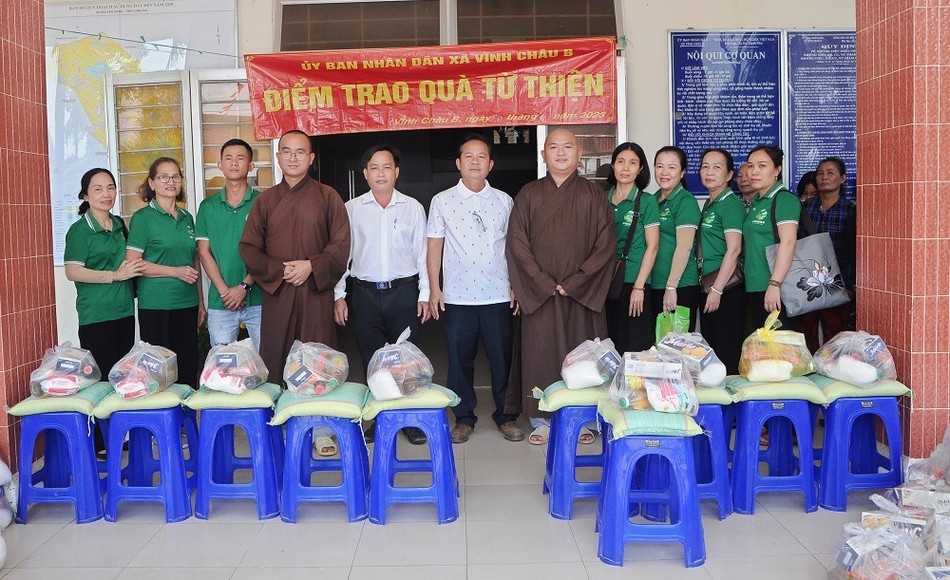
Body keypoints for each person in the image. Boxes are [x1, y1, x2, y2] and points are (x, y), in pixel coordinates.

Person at [504, 128, 616, 445]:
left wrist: (575, 283)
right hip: (540, 294)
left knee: (584, 356)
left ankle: (583, 418)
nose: (561, 152)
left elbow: (606, 245)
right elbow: (517, 244)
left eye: (568, 147)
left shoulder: (594, 195)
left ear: (579, 154)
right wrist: (541, 282)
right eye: (554, 147)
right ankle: (542, 420)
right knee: (540, 354)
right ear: (544, 155)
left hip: (581, 294)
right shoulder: (528, 194)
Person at [427, 135, 523, 444]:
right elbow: (434, 246)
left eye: (481, 156)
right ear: (458, 163)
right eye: (468, 156)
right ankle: (464, 418)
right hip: (457, 295)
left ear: (490, 164)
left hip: (498, 293)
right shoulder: (442, 200)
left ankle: (506, 416)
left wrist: (516, 286)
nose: (475, 162)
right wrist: (434, 288)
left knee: (502, 358)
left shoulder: (505, 201)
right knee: (459, 361)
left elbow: (514, 248)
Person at [334, 144, 430, 446]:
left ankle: (409, 419)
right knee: (372, 359)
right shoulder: (351, 209)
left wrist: (425, 293)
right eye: (374, 168)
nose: (380, 173)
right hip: (364, 294)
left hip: (403, 292)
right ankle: (380, 417)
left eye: (387, 167)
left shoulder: (412, 207)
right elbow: (343, 256)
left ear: (396, 172)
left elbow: (423, 254)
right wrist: (338, 294)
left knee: (406, 358)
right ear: (365, 174)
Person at [64, 168, 145, 455]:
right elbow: (73, 271)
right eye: (97, 189)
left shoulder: (119, 224)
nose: (106, 194)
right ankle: (100, 442)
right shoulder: (80, 230)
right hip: (96, 314)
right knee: (99, 378)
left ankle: (119, 435)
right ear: (85, 195)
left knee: (120, 375)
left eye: (110, 187)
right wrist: (114, 275)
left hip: (123, 310)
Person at [126, 157, 205, 387]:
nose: (170, 182)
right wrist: (174, 272)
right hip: (156, 305)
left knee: (187, 368)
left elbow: (194, 262)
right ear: (151, 183)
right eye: (163, 177)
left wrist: (200, 302)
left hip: (187, 303)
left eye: (175, 177)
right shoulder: (143, 218)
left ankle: (186, 411)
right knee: (160, 372)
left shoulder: (187, 218)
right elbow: (133, 263)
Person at [196, 139, 262, 349]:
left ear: (250, 166)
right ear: (220, 165)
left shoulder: (264, 202)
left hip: (259, 300)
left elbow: (269, 250)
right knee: (222, 362)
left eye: (240, 158)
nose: (234, 163)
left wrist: (244, 286)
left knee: (266, 361)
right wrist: (226, 292)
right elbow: (204, 252)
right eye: (228, 158)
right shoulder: (207, 207)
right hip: (221, 301)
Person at [604, 142, 660, 354]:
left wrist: (639, 287)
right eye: (620, 162)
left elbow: (653, 246)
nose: (625, 168)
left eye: (632, 163)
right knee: (609, 344)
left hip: (634, 281)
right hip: (606, 282)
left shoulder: (646, 201)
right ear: (613, 165)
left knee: (634, 345)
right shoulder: (602, 199)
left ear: (640, 168)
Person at [796, 157, 857, 352]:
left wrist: (851, 285)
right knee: (806, 333)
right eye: (820, 173)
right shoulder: (806, 208)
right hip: (809, 282)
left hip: (838, 282)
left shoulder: (850, 210)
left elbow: (853, 250)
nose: (824, 177)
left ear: (843, 178)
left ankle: (832, 367)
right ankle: (809, 367)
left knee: (836, 335)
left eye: (830, 173)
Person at [697, 149, 746, 373]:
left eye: (717, 167)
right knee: (712, 346)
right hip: (709, 285)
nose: (709, 172)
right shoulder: (710, 203)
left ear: (729, 175)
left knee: (726, 348)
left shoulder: (730, 204)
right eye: (705, 166)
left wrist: (717, 290)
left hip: (726, 288)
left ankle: (729, 393)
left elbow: (734, 249)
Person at [742, 145, 801, 331]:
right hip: (755, 286)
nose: (754, 172)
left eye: (762, 166)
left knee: (779, 346)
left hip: (777, 288)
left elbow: (788, 242)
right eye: (750, 166)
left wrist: (775, 284)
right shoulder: (757, 202)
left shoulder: (784, 199)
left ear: (777, 170)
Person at [650, 146, 701, 332]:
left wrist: (671, 287)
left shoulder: (685, 201)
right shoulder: (652, 200)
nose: (664, 172)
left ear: (682, 172)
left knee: (677, 344)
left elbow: (684, 247)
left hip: (680, 286)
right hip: (655, 283)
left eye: (671, 167)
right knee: (657, 344)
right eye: (659, 166)